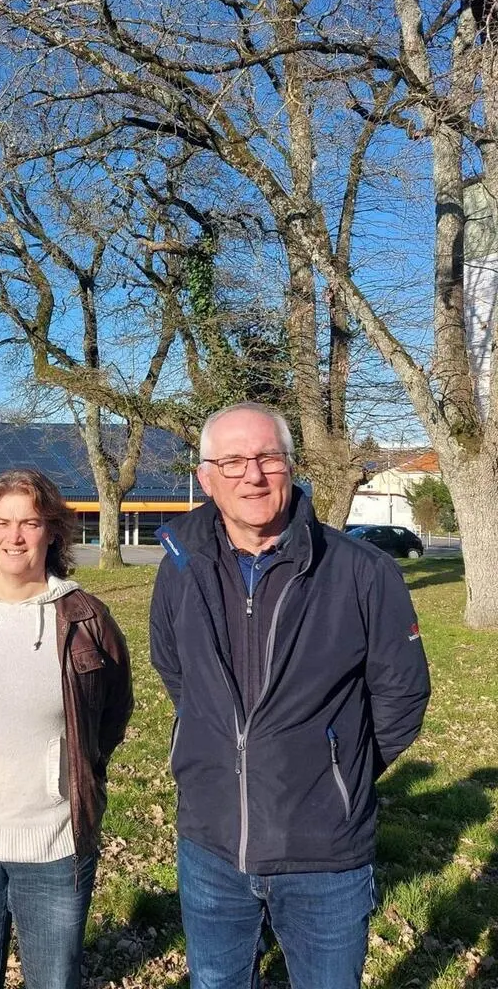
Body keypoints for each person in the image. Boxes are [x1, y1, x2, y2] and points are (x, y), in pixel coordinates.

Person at [149, 402, 431, 989]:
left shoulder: (361, 571)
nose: (252, 476)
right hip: (211, 842)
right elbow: (175, 670)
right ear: (206, 478)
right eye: (232, 461)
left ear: (291, 466)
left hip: (323, 850)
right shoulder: (179, 566)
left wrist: (338, 769)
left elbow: (401, 696)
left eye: (268, 458)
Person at [0, 469, 134, 989]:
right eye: (3, 522)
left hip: (53, 845)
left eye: (30, 523)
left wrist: (70, 773)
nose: (15, 537)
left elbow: (112, 713)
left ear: (52, 532)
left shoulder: (86, 620)